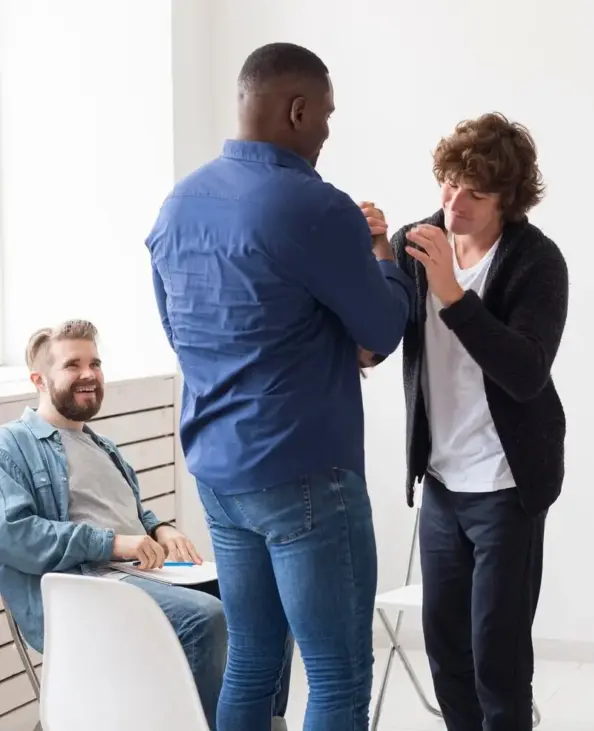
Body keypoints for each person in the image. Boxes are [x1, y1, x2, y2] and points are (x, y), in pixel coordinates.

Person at [145, 42, 413, 731]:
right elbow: (382, 329)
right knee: (337, 675)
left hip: (218, 474)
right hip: (305, 474)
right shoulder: (315, 206)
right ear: (297, 110)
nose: (326, 131)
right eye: (325, 115)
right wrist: (381, 255)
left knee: (252, 659)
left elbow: (183, 336)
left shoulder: (178, 205)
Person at [360, 112, 568, 731]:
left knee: (498, 662)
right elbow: (377, 344)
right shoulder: (416, 241)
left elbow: (525, 372)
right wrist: (378, 256)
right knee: (447, 654)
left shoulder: (536, 261)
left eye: (475, 193)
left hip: (507, 485)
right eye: (449, 184)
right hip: (442, 484)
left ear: (508, 198)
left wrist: (452, 294)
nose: (455, 203)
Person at [0, 321, 292, 730]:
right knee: (206, 618)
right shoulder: (11, 445)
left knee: (271, 599)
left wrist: (160, 529)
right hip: (83, 593)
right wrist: (113, 544)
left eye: (95, 363)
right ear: (39, 380)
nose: (89, 374)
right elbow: (13, 535)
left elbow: (128, 513)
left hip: (140, 576)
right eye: (72, 365)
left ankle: (262, 723)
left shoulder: (103, 446)